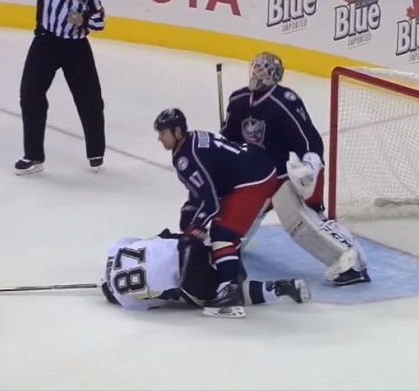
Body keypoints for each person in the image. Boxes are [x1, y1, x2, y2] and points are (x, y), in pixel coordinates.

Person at [220, 52, 370, 286]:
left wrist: (310, 163)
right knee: (230, 226)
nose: (258, 73)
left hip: (277, 176)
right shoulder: (238, 99)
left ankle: (350, 264)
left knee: (299, 224)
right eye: (256, 68)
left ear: (275, 75)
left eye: (264, 69)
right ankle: (228, 250)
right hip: (252, 178)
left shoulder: (285, 101)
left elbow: (308, 138)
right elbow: (228, 138)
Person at [154, 108, 279, 318]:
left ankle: (229, 294)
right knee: (212, 225)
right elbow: (205, 189)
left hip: (254, 180)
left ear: (176, 132)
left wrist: (197, 226)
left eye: (163, 133)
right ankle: (233, 274)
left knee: (223, 231)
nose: (159, 138)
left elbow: (211, 203)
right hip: (253, 169)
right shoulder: (189, 143)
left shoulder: (187, 157)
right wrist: (192, 214)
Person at [101, 229, 310, 317]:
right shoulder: (115, 249)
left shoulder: (127, 303)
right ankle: (225, 247)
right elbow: (152, 238)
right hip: (189, 246)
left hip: (190, 278)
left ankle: (280, 288)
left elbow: (162, 300)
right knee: (181, 237)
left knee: (224, 295)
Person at [14, 0, 107, 175]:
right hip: (45, 42)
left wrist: (83, 19)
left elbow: (99, 22)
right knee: (30, 95)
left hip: (77, 47)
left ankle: (95, 151)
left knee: (90, 100)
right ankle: (34, 156)